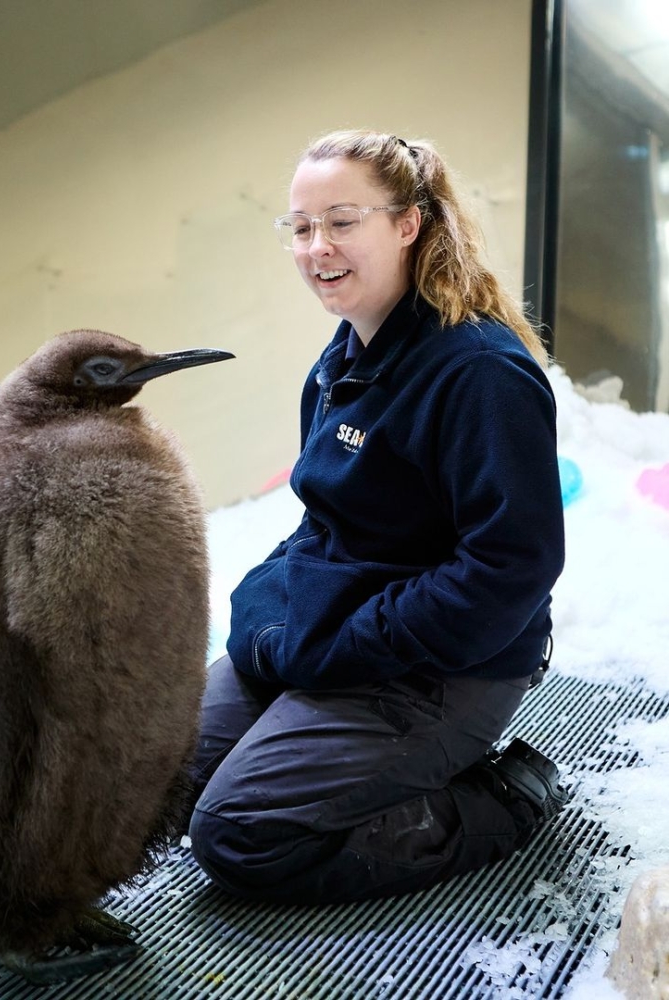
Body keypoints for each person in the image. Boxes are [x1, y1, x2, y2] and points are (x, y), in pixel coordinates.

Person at [185, 129, 568, 904]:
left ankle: (500, 800)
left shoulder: (480, 373)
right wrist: (268, 614)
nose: (316, 246)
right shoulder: (342, 361)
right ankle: (334, 747)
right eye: (300, 226)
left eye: (341, 220)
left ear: (407, 224)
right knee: (149, 772)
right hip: (346, 639)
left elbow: (509, 569)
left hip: (449, 664)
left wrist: (344, 646)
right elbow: (321, 525)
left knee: (241, 832)